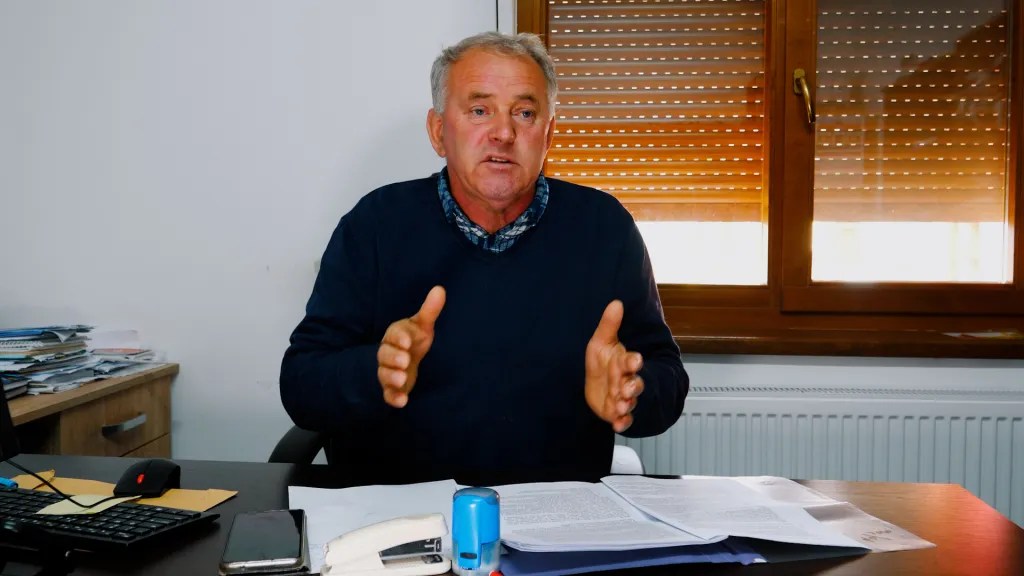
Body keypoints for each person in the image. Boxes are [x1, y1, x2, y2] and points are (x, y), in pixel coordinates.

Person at [280, 31, 688, 487]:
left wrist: (631, 391)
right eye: (479, 110)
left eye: (525, 113)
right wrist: (373, 369)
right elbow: (300, 384)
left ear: (549, 134)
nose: (504, 133)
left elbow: (668, 379)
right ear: (438, 131)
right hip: (403, 511)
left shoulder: (604, 228)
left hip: (555, 511)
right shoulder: (374, 224)